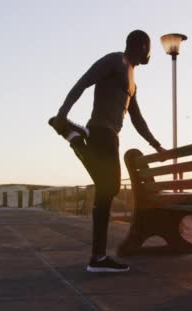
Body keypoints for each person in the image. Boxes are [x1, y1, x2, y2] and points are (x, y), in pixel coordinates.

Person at [50, 30, 166, 273]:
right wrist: (63, 112)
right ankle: (99, 258)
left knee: (105, 191)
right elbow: (83, 82)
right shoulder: (115, 60)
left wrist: (155, 144)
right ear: (143, 46)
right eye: (149, 47)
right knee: (110, 187)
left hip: (109, 134)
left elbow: (137, 119)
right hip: (102, 132)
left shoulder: (133, 80)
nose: (150, 53)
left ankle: (98, 258)